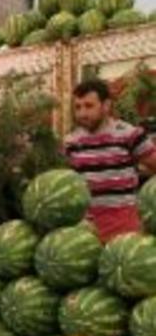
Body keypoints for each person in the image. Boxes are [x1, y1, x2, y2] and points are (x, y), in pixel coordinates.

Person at [64, 79, 156, 242]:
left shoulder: (129, 134)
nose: (82, 113)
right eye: (78, 107)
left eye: (89, 106)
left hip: (126, 231)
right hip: (86, 234)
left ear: (106, 105)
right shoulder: (71, 142)